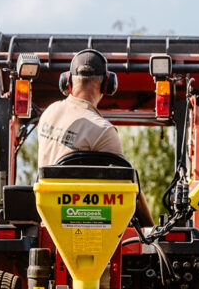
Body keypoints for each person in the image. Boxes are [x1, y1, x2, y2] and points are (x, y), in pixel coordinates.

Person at [38, 49, 155, 227]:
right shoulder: (104, 131)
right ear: (107, 85)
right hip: (91, 225)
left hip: (49, 222)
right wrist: (151, 231)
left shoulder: (48, 113)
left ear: (68, 82)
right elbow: (129, 190)